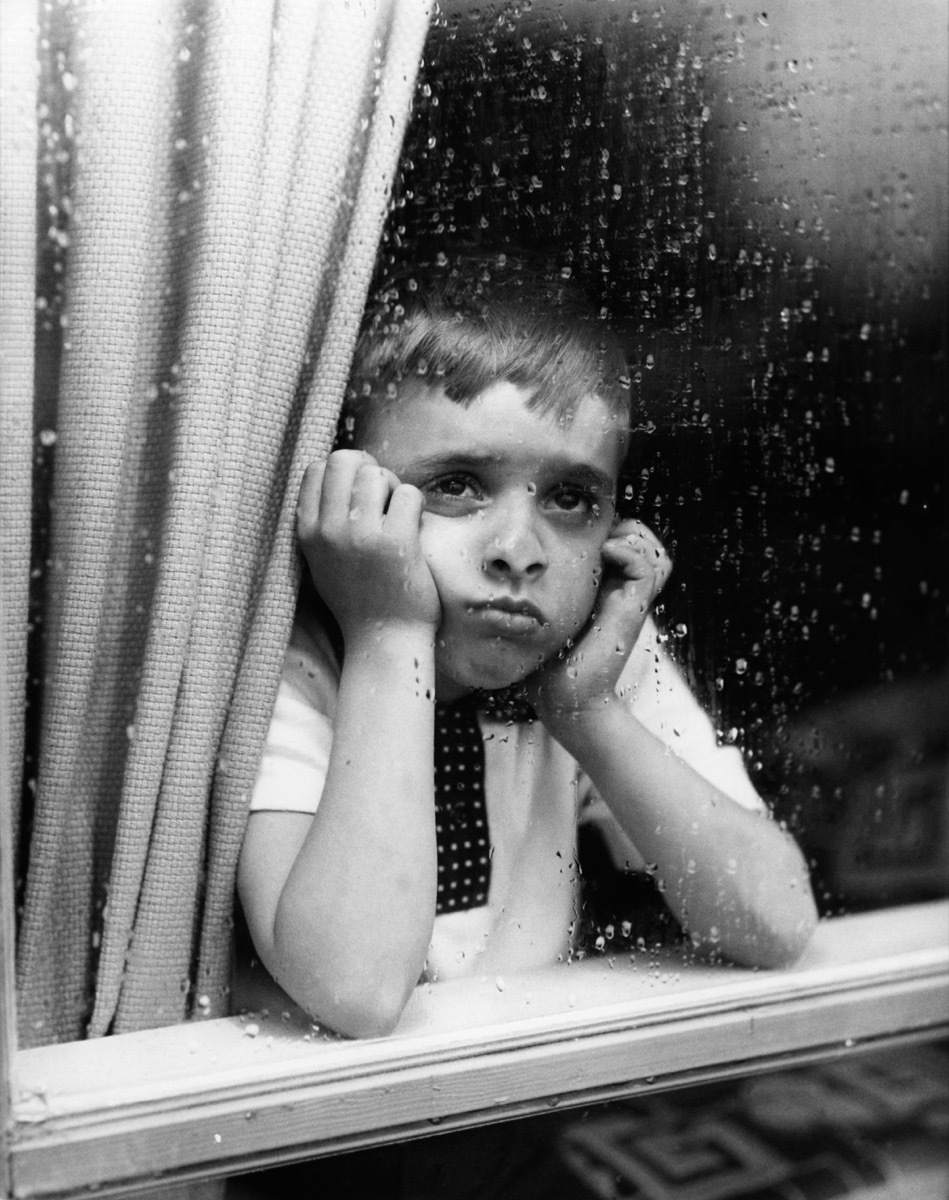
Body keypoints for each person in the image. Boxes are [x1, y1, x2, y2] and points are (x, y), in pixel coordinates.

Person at [237, 253, 818, 1039]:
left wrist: (586, 711)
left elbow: (775, 920)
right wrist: (388, 629)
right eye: (455, 484)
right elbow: (356, 990)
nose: (518, 548)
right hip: (315, 1136)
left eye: (572, 499)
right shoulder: (295, 664)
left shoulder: (589, 658)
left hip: (520, 1098)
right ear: (351, 498)